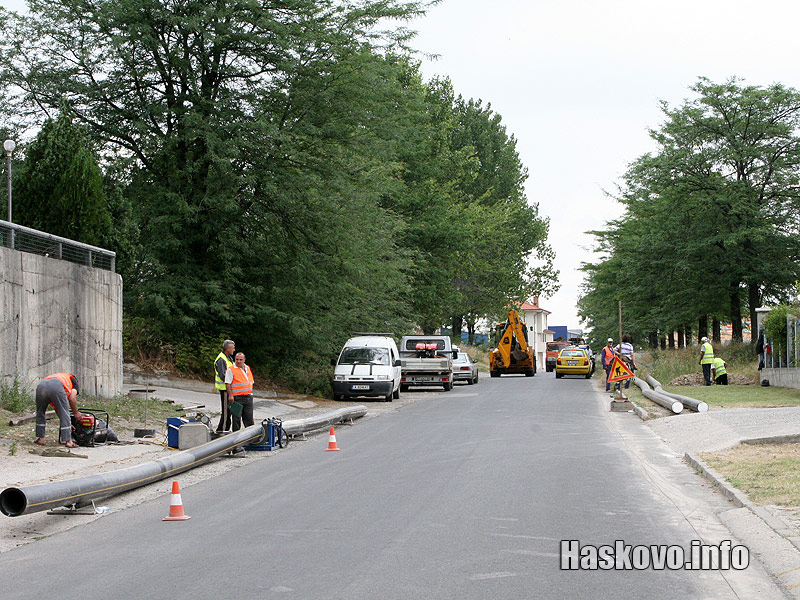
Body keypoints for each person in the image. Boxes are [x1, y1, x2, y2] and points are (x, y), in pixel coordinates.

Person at [33, 373, 82, 448]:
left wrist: (67, 424)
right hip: (56, 386)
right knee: (65, 412)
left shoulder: (60, 376)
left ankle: (40, 439)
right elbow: (72, 398)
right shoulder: (73, 381)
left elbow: (57, 407)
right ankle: (69, 441)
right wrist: (76, 413)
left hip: (41, 385)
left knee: (40, 412)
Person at [225, 351, 255, 431]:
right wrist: (230, 395)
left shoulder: (247, 368)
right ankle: (236, 436)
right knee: (236, 419)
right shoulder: (231, 370)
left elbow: (250, 381)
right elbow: (228, 384)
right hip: (237, 398)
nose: (238, 361)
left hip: (248, 397)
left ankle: (251, 435)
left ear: (244, 360)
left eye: (240, 359)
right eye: (237, 359)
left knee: (249, 418)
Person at [213, 339, 236, 432]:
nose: (234, 350)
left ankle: (225, 429)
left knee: (229, 411)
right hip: (224, 389)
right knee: (226, 412)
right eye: (233, 348)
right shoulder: (221, 359)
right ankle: (221, 431)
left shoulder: (228, 358)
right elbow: (223, 376)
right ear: (228, 348)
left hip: (229, 389)